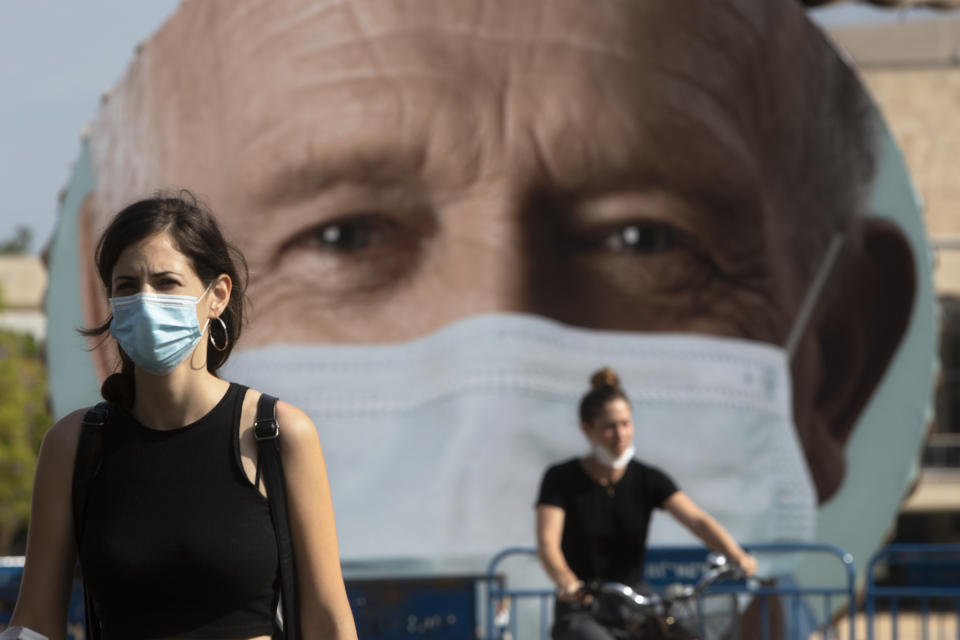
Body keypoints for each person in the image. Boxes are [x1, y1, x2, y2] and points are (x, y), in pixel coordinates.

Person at [44, 0, 933, 610]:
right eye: (342, 236)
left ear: (841, 352)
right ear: (102, 296)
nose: (490, 339)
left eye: (642, 239)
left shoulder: (281, 437)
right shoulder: (82, 454)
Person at [10, 194, 358, 639]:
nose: (145, 300)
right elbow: (35, 621)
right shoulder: (76, 443)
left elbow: (328, 620)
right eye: (127, 285)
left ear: (217, 296)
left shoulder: (275, 433)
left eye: (166, 282)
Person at [537, 368, 758, 640]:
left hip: (634, 604)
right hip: (583, 608)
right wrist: (566, 581)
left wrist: (736, 555)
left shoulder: (647, 478)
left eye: (625, 424)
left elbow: (697, 520)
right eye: (609, 427)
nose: (620, 435)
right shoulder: (561, 478)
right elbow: (548, 544)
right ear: (587, 429)